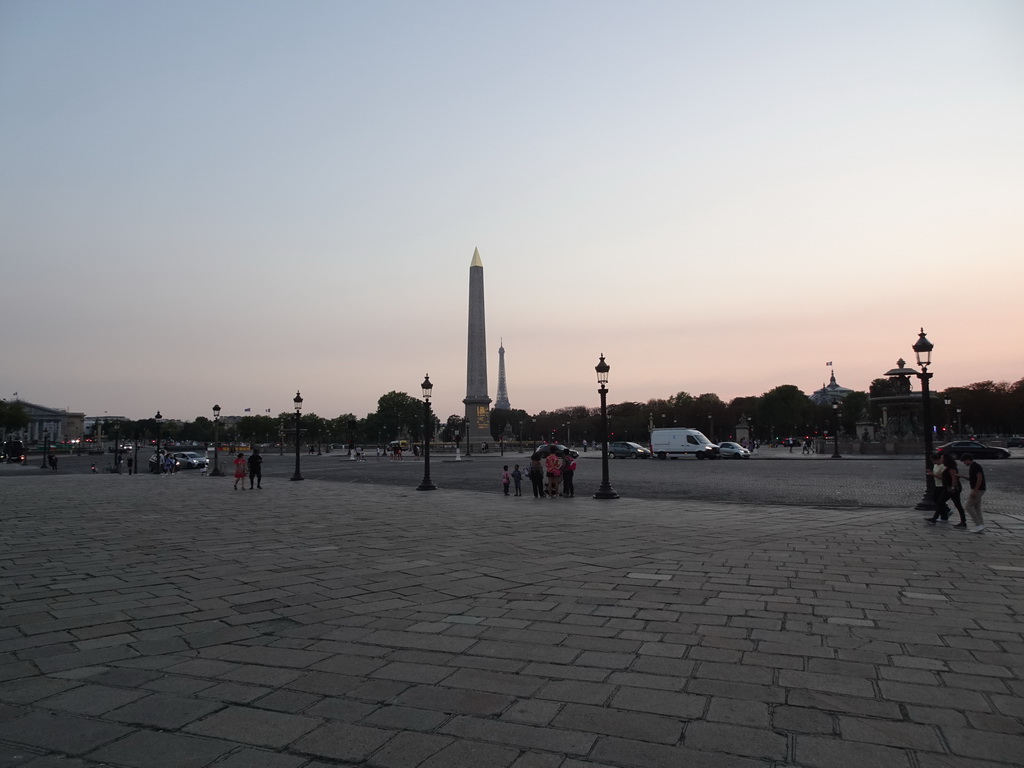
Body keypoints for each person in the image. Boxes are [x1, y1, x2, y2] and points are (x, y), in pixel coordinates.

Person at [961, 453, 986, 533]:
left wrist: (975, 491)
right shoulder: (973, 466)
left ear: (968, 459)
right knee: (977, 508)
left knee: (968, 507)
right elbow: (973, 479)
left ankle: (978, 524)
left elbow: (979, 479)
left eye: (964, 461)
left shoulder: (976, 466)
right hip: (978, 489)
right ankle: (981, 525)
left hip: (978, 489)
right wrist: (963, 477)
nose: (964, 463)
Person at [941, 454, 966, 528]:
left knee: (957, 504)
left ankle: (962, 521)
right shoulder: (949, 467)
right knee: (941, 501)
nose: (941, 459)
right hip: (949, 488)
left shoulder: (951, 467)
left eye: (942, 458)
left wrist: (952, 487)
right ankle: (962, 521)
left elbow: (954, 478)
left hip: (952, 489)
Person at [925, 452, 951, 523]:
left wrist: (932, 475)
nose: (933, 462)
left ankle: (942, 515)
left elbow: (943, 477)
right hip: (937, 484)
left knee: (939, 500)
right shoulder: (935, 465)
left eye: (934, 461)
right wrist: (931, 472)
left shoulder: (943, 466)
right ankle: (945, 514)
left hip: (942, 485)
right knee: (937, 499)